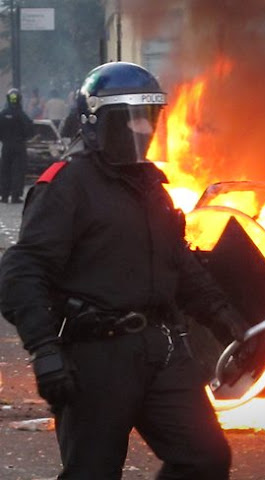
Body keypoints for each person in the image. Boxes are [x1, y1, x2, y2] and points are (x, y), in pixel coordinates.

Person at [0, 62, 249, 479]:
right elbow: (23, 271)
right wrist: (44, 349)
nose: (143, 129)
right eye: (131, 118)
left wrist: (227, 320)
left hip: (162, 349)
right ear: (95, 122)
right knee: (92, 472)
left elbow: (178, 263)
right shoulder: (67, 186)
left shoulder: (153, 188)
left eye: (149, 117)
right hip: (97, 355)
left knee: (205, 458)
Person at [0, 88, 34, 203]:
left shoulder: (2, 114)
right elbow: (30, 130)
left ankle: (4, 195)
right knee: (18, 171)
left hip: (6, 146)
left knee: (5, 170)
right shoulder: (21, 115)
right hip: (19, 146)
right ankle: (15, 196)